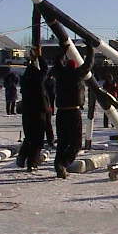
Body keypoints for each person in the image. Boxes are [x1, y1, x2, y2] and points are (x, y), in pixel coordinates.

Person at [50, 42, 94, 179]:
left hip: (61, 112)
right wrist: (90, 48)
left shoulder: (59, 74)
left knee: (63, 141)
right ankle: (63, 163)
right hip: (74, 112)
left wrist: (64, 48)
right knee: (76, 143)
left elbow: (56, 60)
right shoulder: (78, 74)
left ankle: (59, 165)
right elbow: (88, 64)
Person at [17, 48, 50, 172]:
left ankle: (22, 157)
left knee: (29, 137)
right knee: (38, 139)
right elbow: (45, 69)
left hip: (27, 112)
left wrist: (33, 59)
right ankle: (32, 163)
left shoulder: (25, 80)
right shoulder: (38, 80)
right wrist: (39, 57)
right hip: (38, 111)